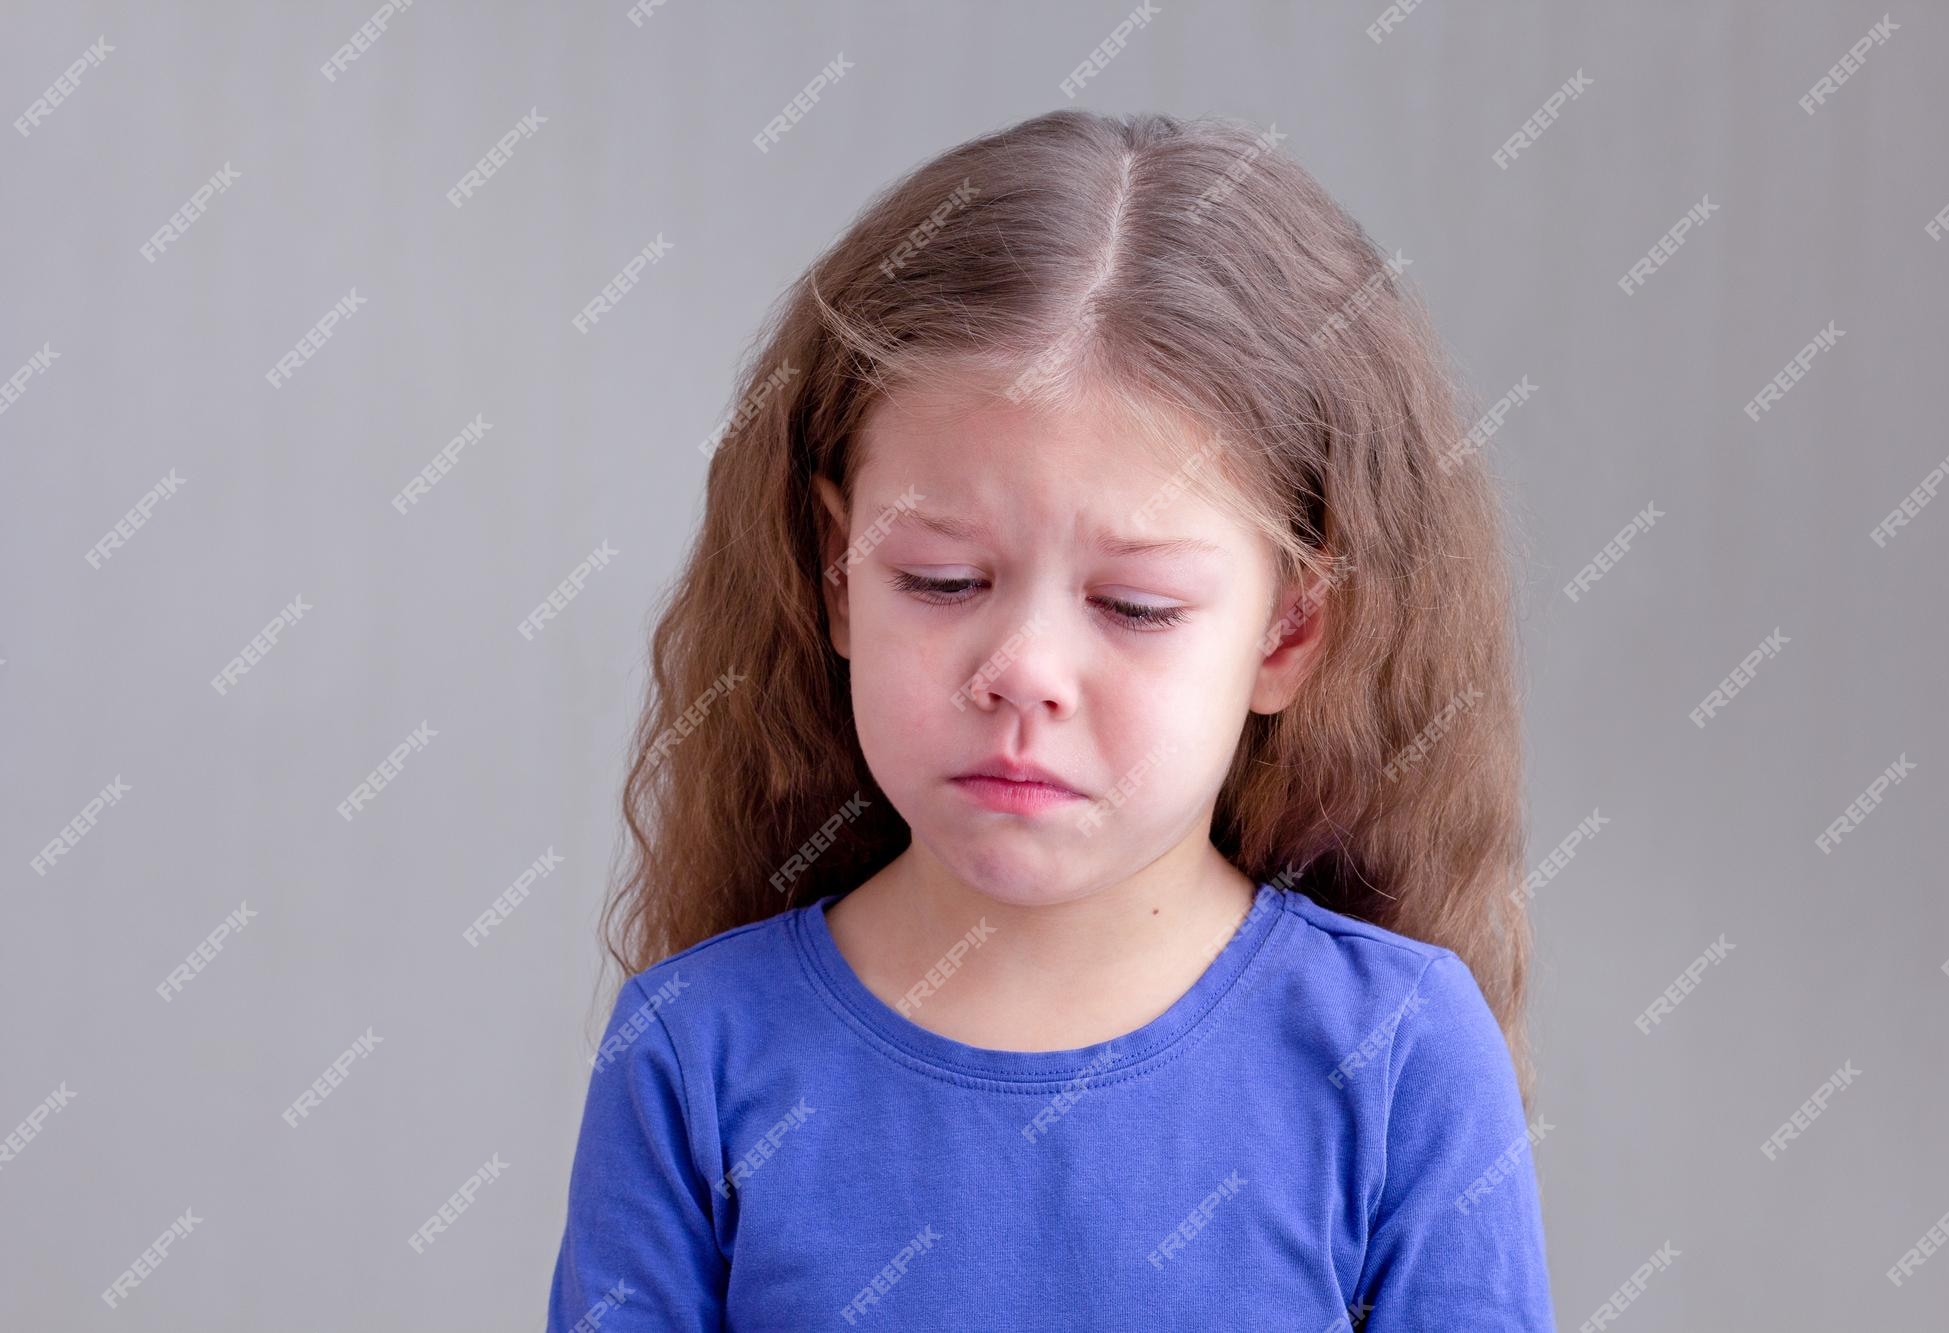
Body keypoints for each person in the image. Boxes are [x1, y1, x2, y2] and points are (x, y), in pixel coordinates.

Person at [546, 108, 1555, 1332]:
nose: (1022, 671)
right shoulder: (694, 1055)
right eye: (941, 581)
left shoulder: (1395, 1054)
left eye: (1134, 605)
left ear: (1288, 630)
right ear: (833, 571)